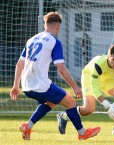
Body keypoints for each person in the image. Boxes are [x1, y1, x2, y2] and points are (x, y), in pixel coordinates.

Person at [10, 12, 101, 140]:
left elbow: (19, 64)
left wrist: (15, 86)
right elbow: (61, 69)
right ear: (58, 27)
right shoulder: (54, 42)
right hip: (41, 84)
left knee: (51, 103)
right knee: (71, 102)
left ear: (45, 24)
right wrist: (75, 87)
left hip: (26, 85)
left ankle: (28, 126)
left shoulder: (31, 40)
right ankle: (82, 133)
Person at [57, 44, 114, 135]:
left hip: (107, 80)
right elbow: (95, 89)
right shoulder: (98, 64)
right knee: (88, 109)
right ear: (108, 56)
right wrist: (108, 105)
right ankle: (64, 116)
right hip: (89, 77)